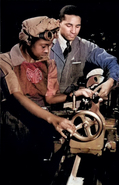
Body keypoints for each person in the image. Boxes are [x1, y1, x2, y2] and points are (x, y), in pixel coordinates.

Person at [0, 16, 95, 185]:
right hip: (15, 125)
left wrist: (75, 95)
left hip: (41, 122)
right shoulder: (5, 61)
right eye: (44, 46)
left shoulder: (48, 63)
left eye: (50, 46)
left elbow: (50, 98)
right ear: (28, 42)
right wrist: (53, 119)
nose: (48, 51)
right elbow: (17, 94)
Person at [50, 5, 119, 99]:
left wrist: (110, 81)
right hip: (43, 104)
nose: (73, 31)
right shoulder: (46, 45)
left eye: (77, 26)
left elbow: (111, 61)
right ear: (59, 23)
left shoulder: (85, 46)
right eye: (69, 26)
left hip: (70, 103)